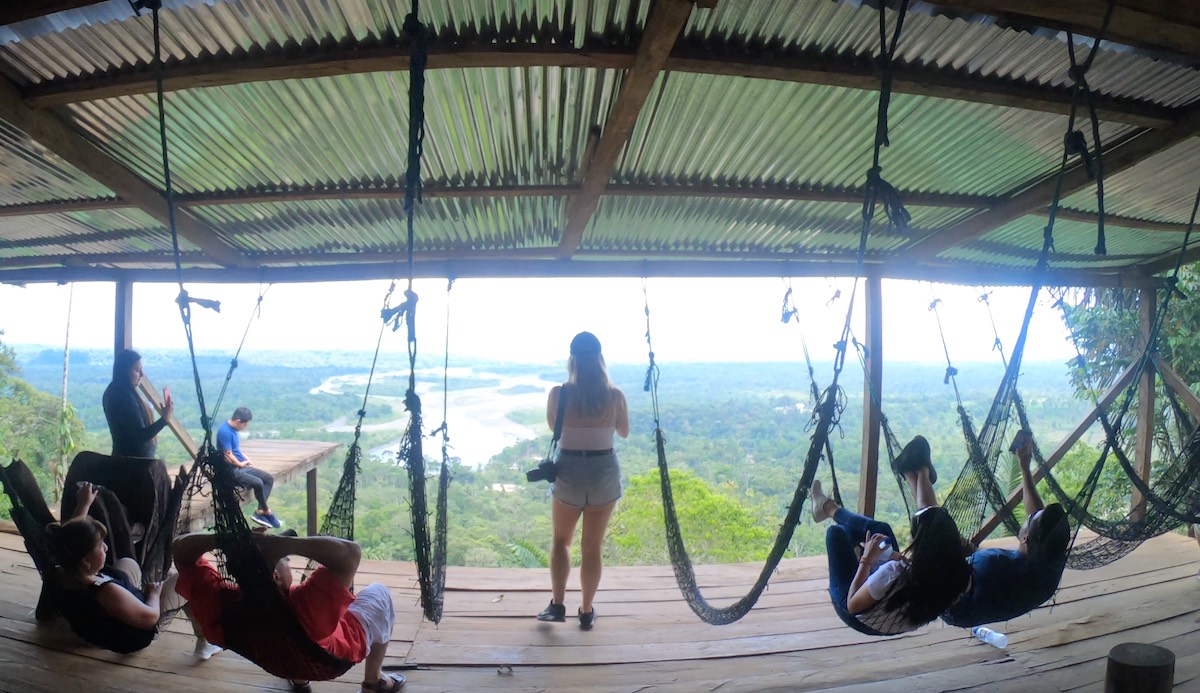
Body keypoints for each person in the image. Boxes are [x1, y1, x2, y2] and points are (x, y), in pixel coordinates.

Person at [172, 530, 405, 692]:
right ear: (275, 576)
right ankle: (373, 682)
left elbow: (180, 548)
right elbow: (351, 553)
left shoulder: (220, 606)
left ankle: (299, 678)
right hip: (328, 658)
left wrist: (227, 539)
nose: (288, 562)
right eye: (285, 559)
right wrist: (283, 544)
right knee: (378, 593)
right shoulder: (307, 605)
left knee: (293, 635)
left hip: (277, 658)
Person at [810, 435, 971, 636]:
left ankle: (828, 509)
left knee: (836, 533)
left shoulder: (894, 572)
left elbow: (852, 606)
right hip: (899, 606)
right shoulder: (960, 576)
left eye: (915, 536)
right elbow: (933, 541)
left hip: (864, 615)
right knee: (882, 530)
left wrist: (867, 560)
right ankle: (911, 471)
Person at [46, 481, 219, 659]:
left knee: (127, 563)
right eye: (100, 546)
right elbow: (150, 618)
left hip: (97, 627)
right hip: (134, 634)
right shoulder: (107, 592)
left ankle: (132, 602)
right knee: (189, 578)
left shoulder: (65, 571)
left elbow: (72, 539)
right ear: (86, 561)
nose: (105, 548)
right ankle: (207, 641)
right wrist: (153, 594)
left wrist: (83, 505)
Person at [536, 331, 630, 630]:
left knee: (561, 541)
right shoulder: (615, 396)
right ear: (600, 360)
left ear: (572, 360)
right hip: (603, 468)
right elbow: (624, 431)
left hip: (569, 469)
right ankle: (587, 610)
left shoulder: (559, 394)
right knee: (592, 547)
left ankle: (558, 604)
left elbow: (555, 428)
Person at [941, 430, 1071, 627]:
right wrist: (1024, 467)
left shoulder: (992, 562)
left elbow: (951, 582)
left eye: (1029, 520)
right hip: (994, 592)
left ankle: (917, 474)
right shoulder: (1051, 562)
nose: (1029, 515)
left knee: (935, 529)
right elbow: (1038, 523)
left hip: (955, 608)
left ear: (1025, 538)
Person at [216, 406, 280, 528]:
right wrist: (240, 464)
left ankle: (260, 511)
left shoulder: (233, 430)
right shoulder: (225, 431)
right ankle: (267, 511)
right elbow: (227, 455)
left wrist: (246, 458)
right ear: (238, 421)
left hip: (240, 465)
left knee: (268, 479)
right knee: (258, 483)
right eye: (245, 425)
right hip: (230, 470)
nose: (245, 427)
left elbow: (235, 450)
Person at [102, 349, 173, 458]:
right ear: (124, 371)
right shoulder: (123, 396)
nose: (141, 374)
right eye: (137, 370)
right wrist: (164, 420)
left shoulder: (118, 392)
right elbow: (138, 436)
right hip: (133, 465)